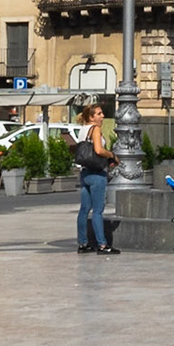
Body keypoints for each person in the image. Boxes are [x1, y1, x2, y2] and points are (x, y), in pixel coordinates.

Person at [74, 103, 117, 255]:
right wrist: (111, 155)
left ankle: (83, 243)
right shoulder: (96, 129)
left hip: (85, 173)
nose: (102, 116)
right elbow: (98, 150)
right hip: (97, 174)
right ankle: (102, 245)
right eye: (99, 114)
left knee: (84, 209)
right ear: (91, 117)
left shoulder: (82, 130)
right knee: (98, 210)